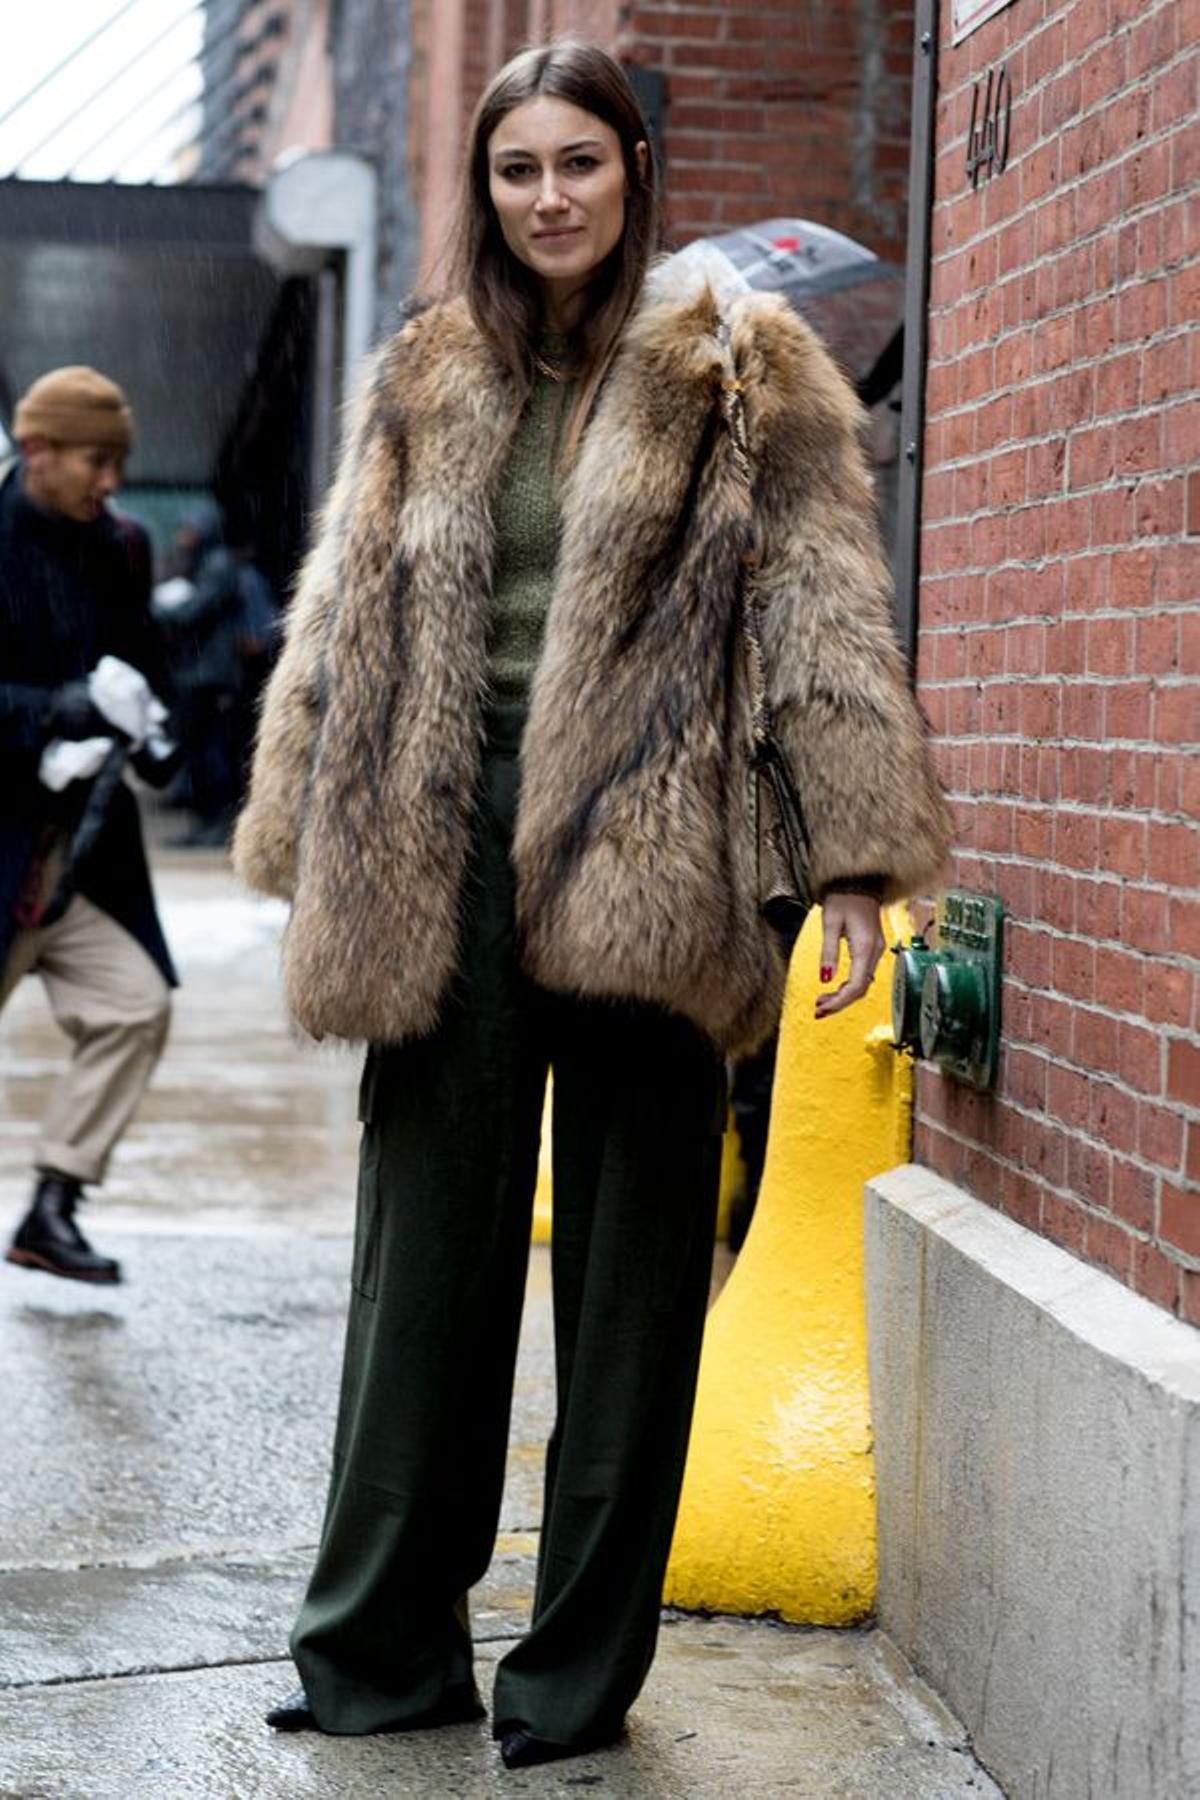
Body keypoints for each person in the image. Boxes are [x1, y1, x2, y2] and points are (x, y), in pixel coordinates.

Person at [234, 41, 952, 1770]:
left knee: (632, 1290)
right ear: (487, 190)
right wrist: (297, 823)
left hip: (659, 851)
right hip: (436, 847)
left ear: (635, 166)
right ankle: (381, 1648)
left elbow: (820, 612)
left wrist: (846, 854)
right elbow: (341, 606)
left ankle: (569, 1681)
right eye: (514, 170)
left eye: (577, 163)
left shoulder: (736, 367)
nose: (545, 197)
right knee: (425, 1273)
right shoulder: (428, 368)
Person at [1, 366, 176, 1285]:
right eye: (95, 461)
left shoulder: (119, 547)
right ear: (38, 451)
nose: (110, 481)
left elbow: (146, 665)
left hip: (76, 860)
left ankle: (52, 1207)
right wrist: (52, 710)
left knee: (133, 1004)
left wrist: (158, 736)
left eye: (119, 462)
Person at [154, 498, 247, 846]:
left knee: (210, 753)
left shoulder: (218, 565)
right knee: (201, 750)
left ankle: (216, 823)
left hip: (211, 674)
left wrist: (156, 609)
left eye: (190, 529)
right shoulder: (208, 563)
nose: (183, 536)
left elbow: (194, 612)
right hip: (202, 672)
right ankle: (208, 821)